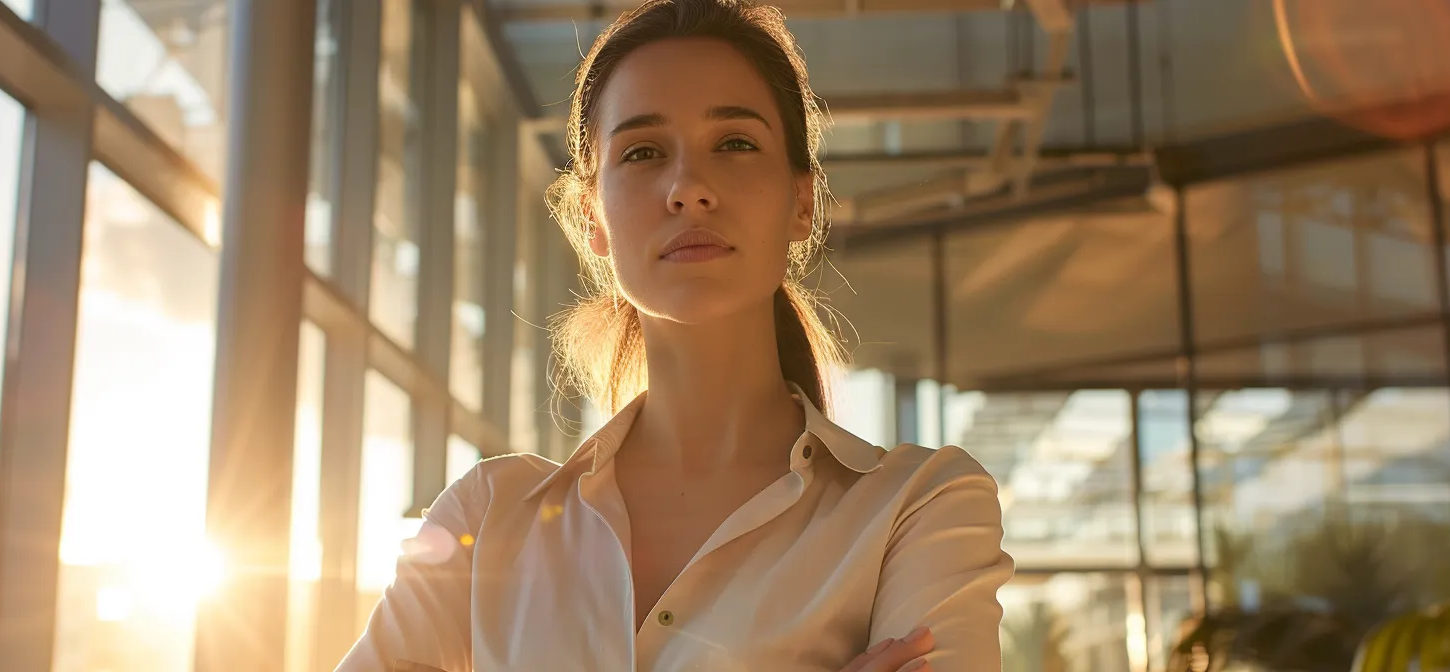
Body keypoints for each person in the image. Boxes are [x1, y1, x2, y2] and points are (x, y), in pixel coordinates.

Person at [335, 0, 1012, 668]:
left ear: (801, 202)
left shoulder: (918, 507)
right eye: (643, 152)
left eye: (736, 143)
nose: (689, 187)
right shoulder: (483, 518)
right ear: (592, 217)